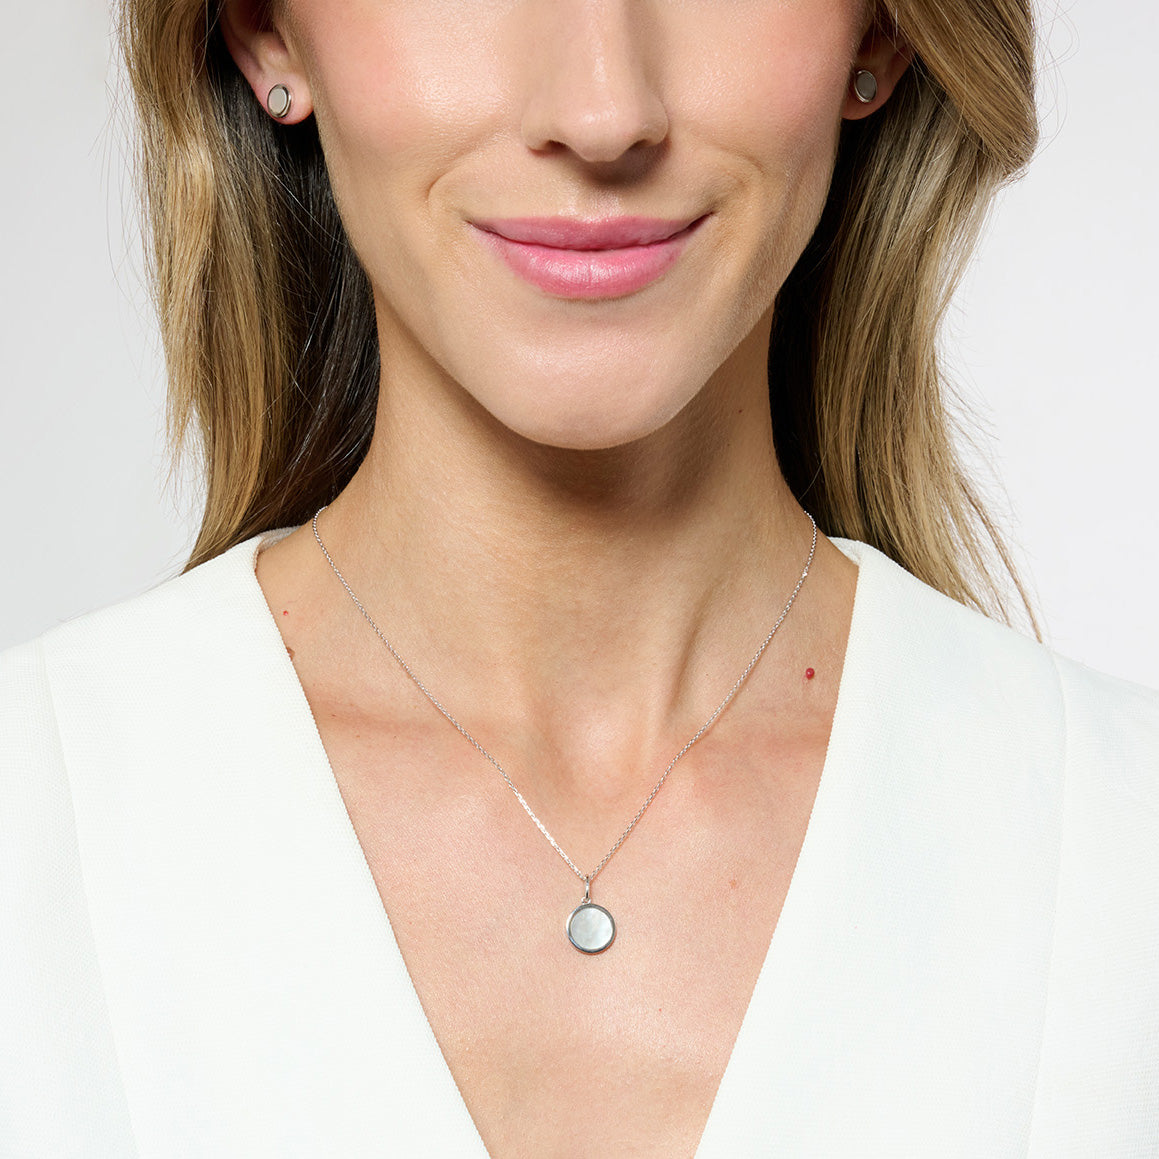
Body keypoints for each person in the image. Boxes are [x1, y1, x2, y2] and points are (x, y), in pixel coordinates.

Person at [2, 0, 1156, 1155]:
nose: (602, 113)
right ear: (268, 36)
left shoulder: (1119, 848)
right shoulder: (36, 817)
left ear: (880, 36)